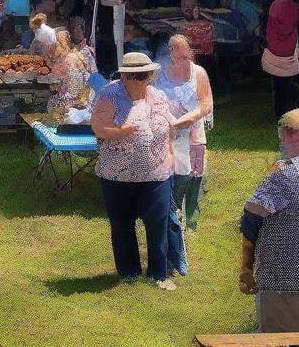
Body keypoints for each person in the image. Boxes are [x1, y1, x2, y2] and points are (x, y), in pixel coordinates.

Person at [90, 52, 176, 290]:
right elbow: (97, 128)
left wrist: (172, 156)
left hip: (156, 173)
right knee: (122, 224)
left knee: (158, 223)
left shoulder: (158, 96)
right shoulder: (110, 95)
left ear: (150, 75)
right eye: (133, 76)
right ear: (124, 76)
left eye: (143, 75)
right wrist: (119, 132)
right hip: (117, 174)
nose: (138, 80)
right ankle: (129, 274)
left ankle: (158, 274)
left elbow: (170, 127)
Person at [241, 109, 299, 333]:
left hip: (287, 284)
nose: (283, 137)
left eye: (287, 130)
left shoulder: (288, 173)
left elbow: (252, 217)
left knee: (282, 340)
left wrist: (245, 268)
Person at [156, 34, 213, 236]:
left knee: (194, 179)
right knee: (171, 179)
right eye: (176, 55)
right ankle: (172, 220)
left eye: (185, 55)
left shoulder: (198, 73)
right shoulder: (159, 74)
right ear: (169, 54)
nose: (182, 60)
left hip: (193, 135)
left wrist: (188, 119)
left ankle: (191, 223)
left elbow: (206, 104)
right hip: (167, 136)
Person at [45, 30, 90, 115]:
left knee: (51, 102)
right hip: (76, 97)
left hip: (71, 99)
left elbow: (68, 81)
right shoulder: (73, 56)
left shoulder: (71, 58)